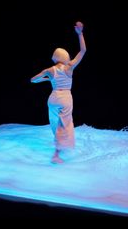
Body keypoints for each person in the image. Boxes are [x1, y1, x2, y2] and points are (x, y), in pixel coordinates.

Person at [31, 21, 86, 164]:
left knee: (55, 124)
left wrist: (47, 80)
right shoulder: (69, 66)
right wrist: (80, 34)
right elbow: (83, 51)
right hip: (65, 98)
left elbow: (33, 80)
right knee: (64, 126)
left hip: (53, 98)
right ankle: (56, 154)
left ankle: (59, 148)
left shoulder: (50, 70)